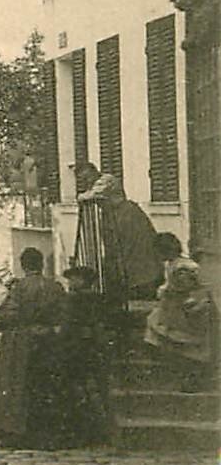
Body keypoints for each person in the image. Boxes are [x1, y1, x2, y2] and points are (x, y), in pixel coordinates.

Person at [0, 247, 71, 448]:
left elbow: (5, 316)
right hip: (49, 342)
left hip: (21, 344)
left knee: (18, 386)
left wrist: (0, 320)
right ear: (41, 264)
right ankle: (47, 435)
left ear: (23, 265)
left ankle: (18, 433)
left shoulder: (19, 288)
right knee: (46, 386)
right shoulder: (55, 287)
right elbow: (65, 315)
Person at [71, 161, 162, 301]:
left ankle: (141, 285)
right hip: (112, 218)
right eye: (83, 179)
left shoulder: (106, 180)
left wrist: (81, 196)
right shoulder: (95, 185)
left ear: (94, 172)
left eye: (87, 177)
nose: (86, 181)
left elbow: (90, 196)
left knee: (135, 251)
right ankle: (125, 286)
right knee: (117, 253)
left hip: (126, 217)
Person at [145, 233, 217, 389]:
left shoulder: (182, 267)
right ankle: (185, 376)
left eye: (159, 251)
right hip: (175, 308)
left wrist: (168, 291)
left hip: (186, 308)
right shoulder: (172, 264)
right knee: (169, 337)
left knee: (185, 344)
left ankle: (192, 378)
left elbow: (184, 286)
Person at [58, 264, 112, 445]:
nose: (70, 283)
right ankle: (102, 428)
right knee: (96, 388)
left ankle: (83, 430)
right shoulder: (99, 299)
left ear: (82, 281)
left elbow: (66, 325)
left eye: (73, 279)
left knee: (76, 388)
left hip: (77, 348)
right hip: (96, 348)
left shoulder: (73, 300)